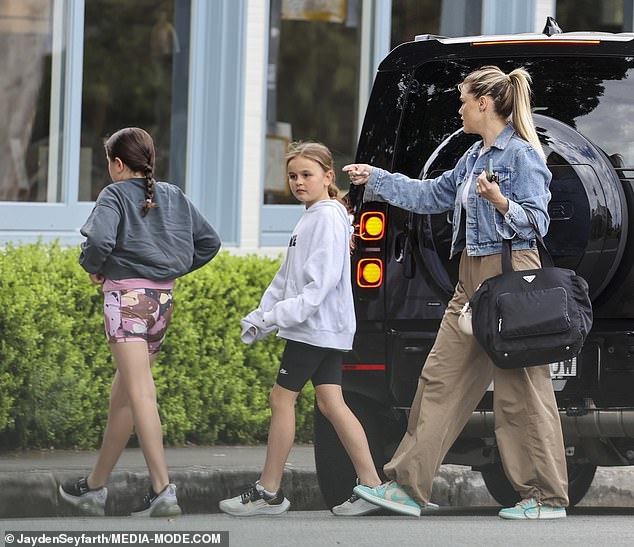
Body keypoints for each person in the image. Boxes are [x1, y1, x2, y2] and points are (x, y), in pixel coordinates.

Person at [344, 65, 569, 520]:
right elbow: (431, 195)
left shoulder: (522, 156)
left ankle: (546, 497)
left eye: (464, 100)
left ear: (484, 103)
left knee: (521, 393)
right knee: (438, 381)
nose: (460, 108)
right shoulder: (473, 157)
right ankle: (408, 487)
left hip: (510, 276)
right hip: (469, 281)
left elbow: (538, 224)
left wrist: (501, 202)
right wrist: (376, 177)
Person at [59, 127, 221, 517]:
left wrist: (95, 269)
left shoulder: (113, 194)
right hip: (162, 302)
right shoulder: (173, 195)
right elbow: (209, 242)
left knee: (140, 394)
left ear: (117, 163)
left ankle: (163, 490)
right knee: (125, 399)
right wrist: (170, 267)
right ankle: (94, 488)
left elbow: (97, 243)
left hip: (126, 302)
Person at [218, 141, 383, 517]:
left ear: (328, 176)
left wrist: (273, 317)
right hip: (321, 327)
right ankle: (373, 486)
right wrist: (262, 315)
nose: (298, 182)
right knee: (331, 403)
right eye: (292, 176)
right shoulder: (315, 215)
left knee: (282, 399)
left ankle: (269, 491)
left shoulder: (325, 217)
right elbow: (287, 277)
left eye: (307, 175)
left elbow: (317, 286)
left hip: (313, 327)